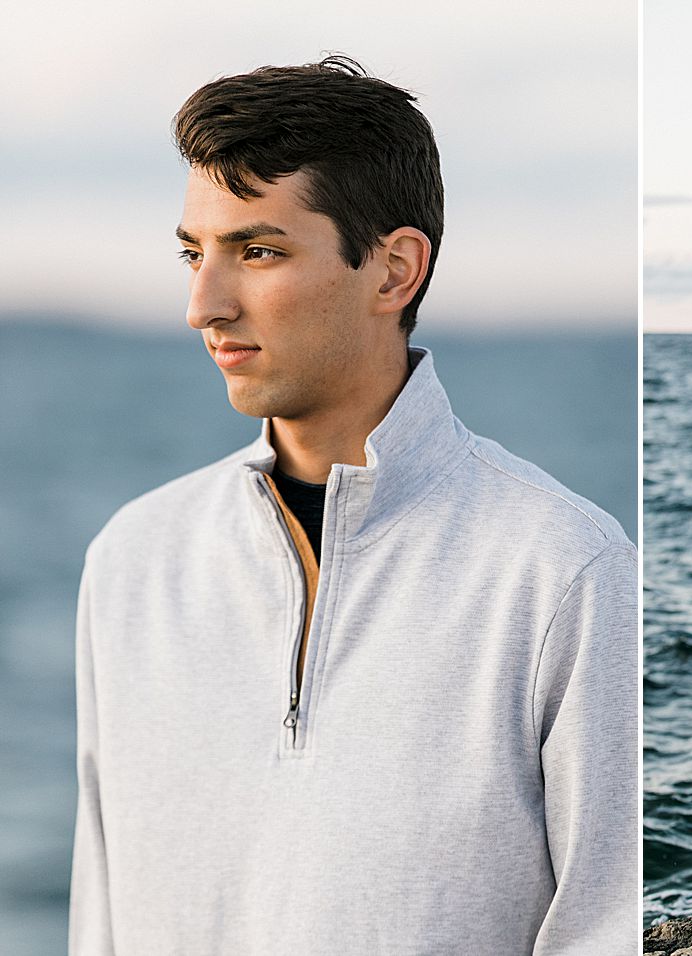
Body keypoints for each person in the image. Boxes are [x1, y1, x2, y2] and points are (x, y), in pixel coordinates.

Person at [69, 56, 637, 954]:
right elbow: (98, 920)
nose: (202, 305)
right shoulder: (134, 559)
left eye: (258, 251)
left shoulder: (561, 568)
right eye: (194, 252)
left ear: (393, 271)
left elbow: (605, 926)